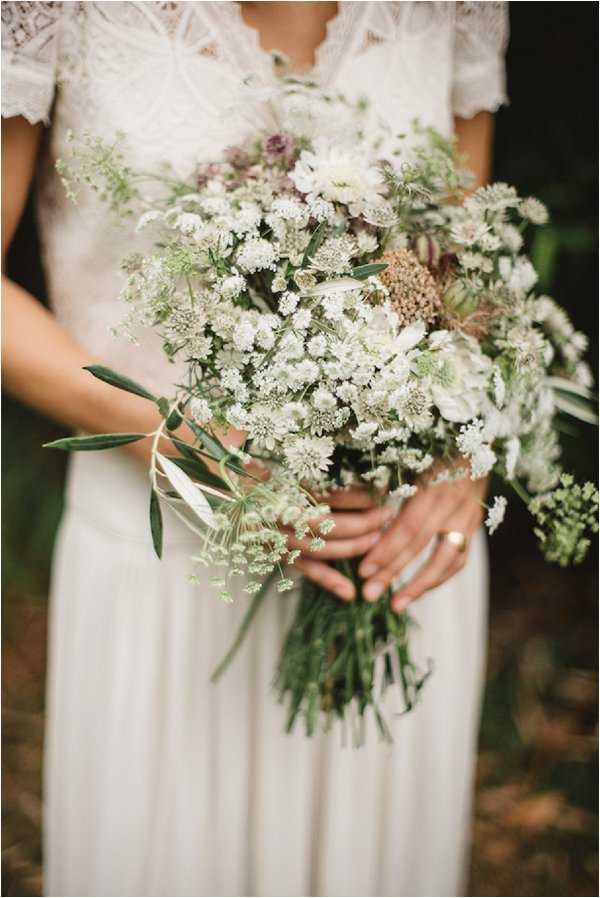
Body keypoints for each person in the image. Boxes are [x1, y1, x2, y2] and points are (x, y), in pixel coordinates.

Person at [2, 3, 509, 895]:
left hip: (390, 558)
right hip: (165, 556)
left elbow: (461, 259)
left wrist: (464, 450)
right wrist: (179, 443)